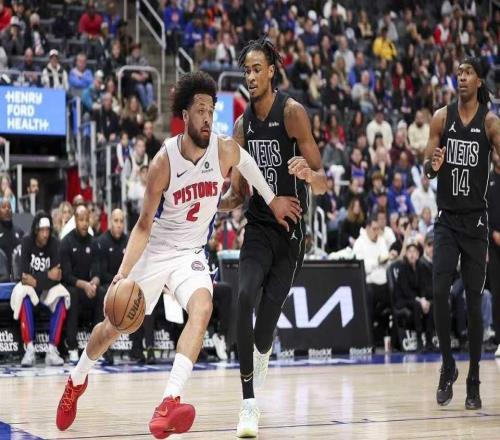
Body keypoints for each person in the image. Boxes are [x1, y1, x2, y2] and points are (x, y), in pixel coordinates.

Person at [55, 71, 299, 438]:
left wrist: (273, 198)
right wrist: (122, 274)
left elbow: (248, 164)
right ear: (185, 115)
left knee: (203, 308)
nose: (207, 117)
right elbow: (142, 226)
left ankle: (168, 401)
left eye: (211, 111)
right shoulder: (163, 162)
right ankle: (76, 380)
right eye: (200, 110)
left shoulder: (223, 149)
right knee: (112, 327)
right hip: (157, 250)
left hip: (191, 254)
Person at [219, 37, 327, 438]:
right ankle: (248, 404)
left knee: (265, 328)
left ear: (271, 71)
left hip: (291, 236)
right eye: (246, 71)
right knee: (244, 295)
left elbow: (323, 179)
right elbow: (237, 194)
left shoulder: (292, 113)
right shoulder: (242, 126)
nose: (250, 76)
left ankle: (262, 351)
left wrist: (308, 174)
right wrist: (209, 203)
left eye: (256, 69)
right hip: (259, 229)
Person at [423, 58, 500, 410]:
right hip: (446, 220)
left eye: (468, 72)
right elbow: (427, 168)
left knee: (472, 301)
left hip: (476, 224)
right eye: (459, 73)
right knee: (440, 291)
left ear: (479, 80)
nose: (462, 77)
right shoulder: (442, 117)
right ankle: (447, 366)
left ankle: (473, 379)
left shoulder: (490, 122)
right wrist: (433, 166)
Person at [10, 212, 69, 367]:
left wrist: (36, 280)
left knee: (62, 296)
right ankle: (29, 349)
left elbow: (57, 276)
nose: (45, 234)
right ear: (36, 230)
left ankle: (52, 350)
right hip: (30, 287)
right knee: (23, 295)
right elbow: (24, 276)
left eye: (47, 230)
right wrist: (47, 275)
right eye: (42, 230)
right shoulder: (27, 241)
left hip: (46, 287)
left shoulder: (54, 243)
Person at [60, 205, 102, 364]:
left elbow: (98, 269)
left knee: (102, 292)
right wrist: (84, 285)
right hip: (72, 286)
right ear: (75, 220)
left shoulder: (94, 242)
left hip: (89, 287)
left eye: (86, 220)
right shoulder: (66, 242)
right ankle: (72, 347)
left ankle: (98, 345)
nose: (84, 223)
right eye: (81, 220)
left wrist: (95, 282)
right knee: (73, 294)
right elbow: (66, 275)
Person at [96, 208, 128, 364]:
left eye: (121, 221)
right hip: (109, 284)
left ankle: (139, 349)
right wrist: (117, 282)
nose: (119, 224)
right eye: (116, 221)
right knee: (102, 293)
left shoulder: (129, 241)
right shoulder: (102, 241)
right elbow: (102, 273)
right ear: (110, 222)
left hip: (126, 284)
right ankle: (104, 348)